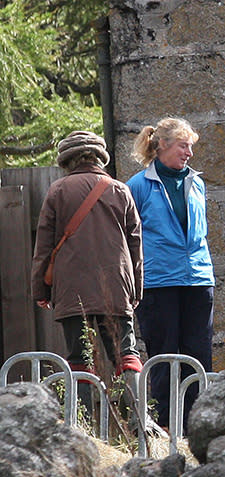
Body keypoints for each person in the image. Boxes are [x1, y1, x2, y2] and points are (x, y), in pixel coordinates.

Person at [31, 131, 143, 415]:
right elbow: (135, 244)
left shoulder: (57, 191)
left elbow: (43, 246)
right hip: (116, 285)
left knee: (79, 359)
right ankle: (137, 422)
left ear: (67, 160)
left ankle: (82, 426)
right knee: (125, 355)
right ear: (99, 157)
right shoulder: (120, 190)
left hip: (72, 289)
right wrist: (136, 290)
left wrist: (40, 290)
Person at [127, 117, 214, 430]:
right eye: (183, 145)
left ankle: (198, 425)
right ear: (161, 145)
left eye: (191, 146)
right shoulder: (138, 186)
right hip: (159, 281)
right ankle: (165, 425)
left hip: (198, 279)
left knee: (199, 353)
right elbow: (127, 236)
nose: (189, 152)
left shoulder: (197, 183)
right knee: (163, 355)